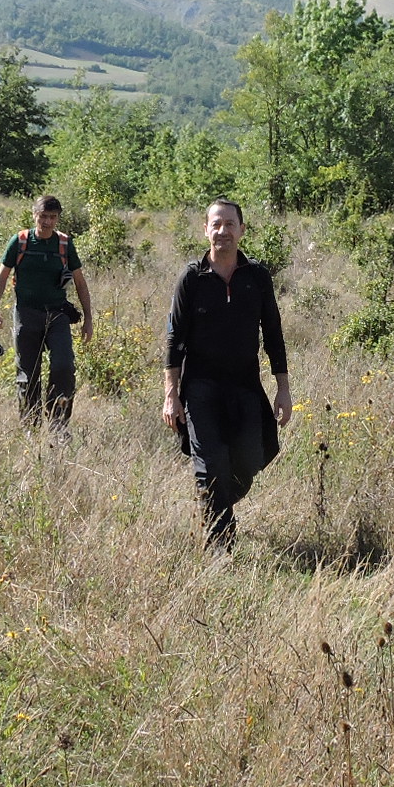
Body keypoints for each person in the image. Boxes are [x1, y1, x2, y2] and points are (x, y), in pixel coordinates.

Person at [162, 199, 291, 549]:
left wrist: (283, 388)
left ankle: (212, 502)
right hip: (200, 387)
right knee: (211, 463)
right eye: (216, 225)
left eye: (230, 224)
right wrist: (171, 394)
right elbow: (174, 339)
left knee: (249, 461)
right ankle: (221, 549)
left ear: (242, 230)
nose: (223, 232)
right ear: (206, 230)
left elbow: (274, 335)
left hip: (245, 385)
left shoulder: (257, 277)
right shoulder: (192, 278)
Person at [0, 194, 94, 431]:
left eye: (52, 217)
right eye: (43, 216)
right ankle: (31, 428)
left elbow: (80, 282)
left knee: (64, 366)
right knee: (28, 374)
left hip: (57, 315)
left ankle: (58, 425)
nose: (47, 222)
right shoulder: (20, 242)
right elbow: (2, 276)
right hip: (27, 314)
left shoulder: (64, 244)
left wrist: (88, 318)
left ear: (58, 219)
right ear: (34, 215)